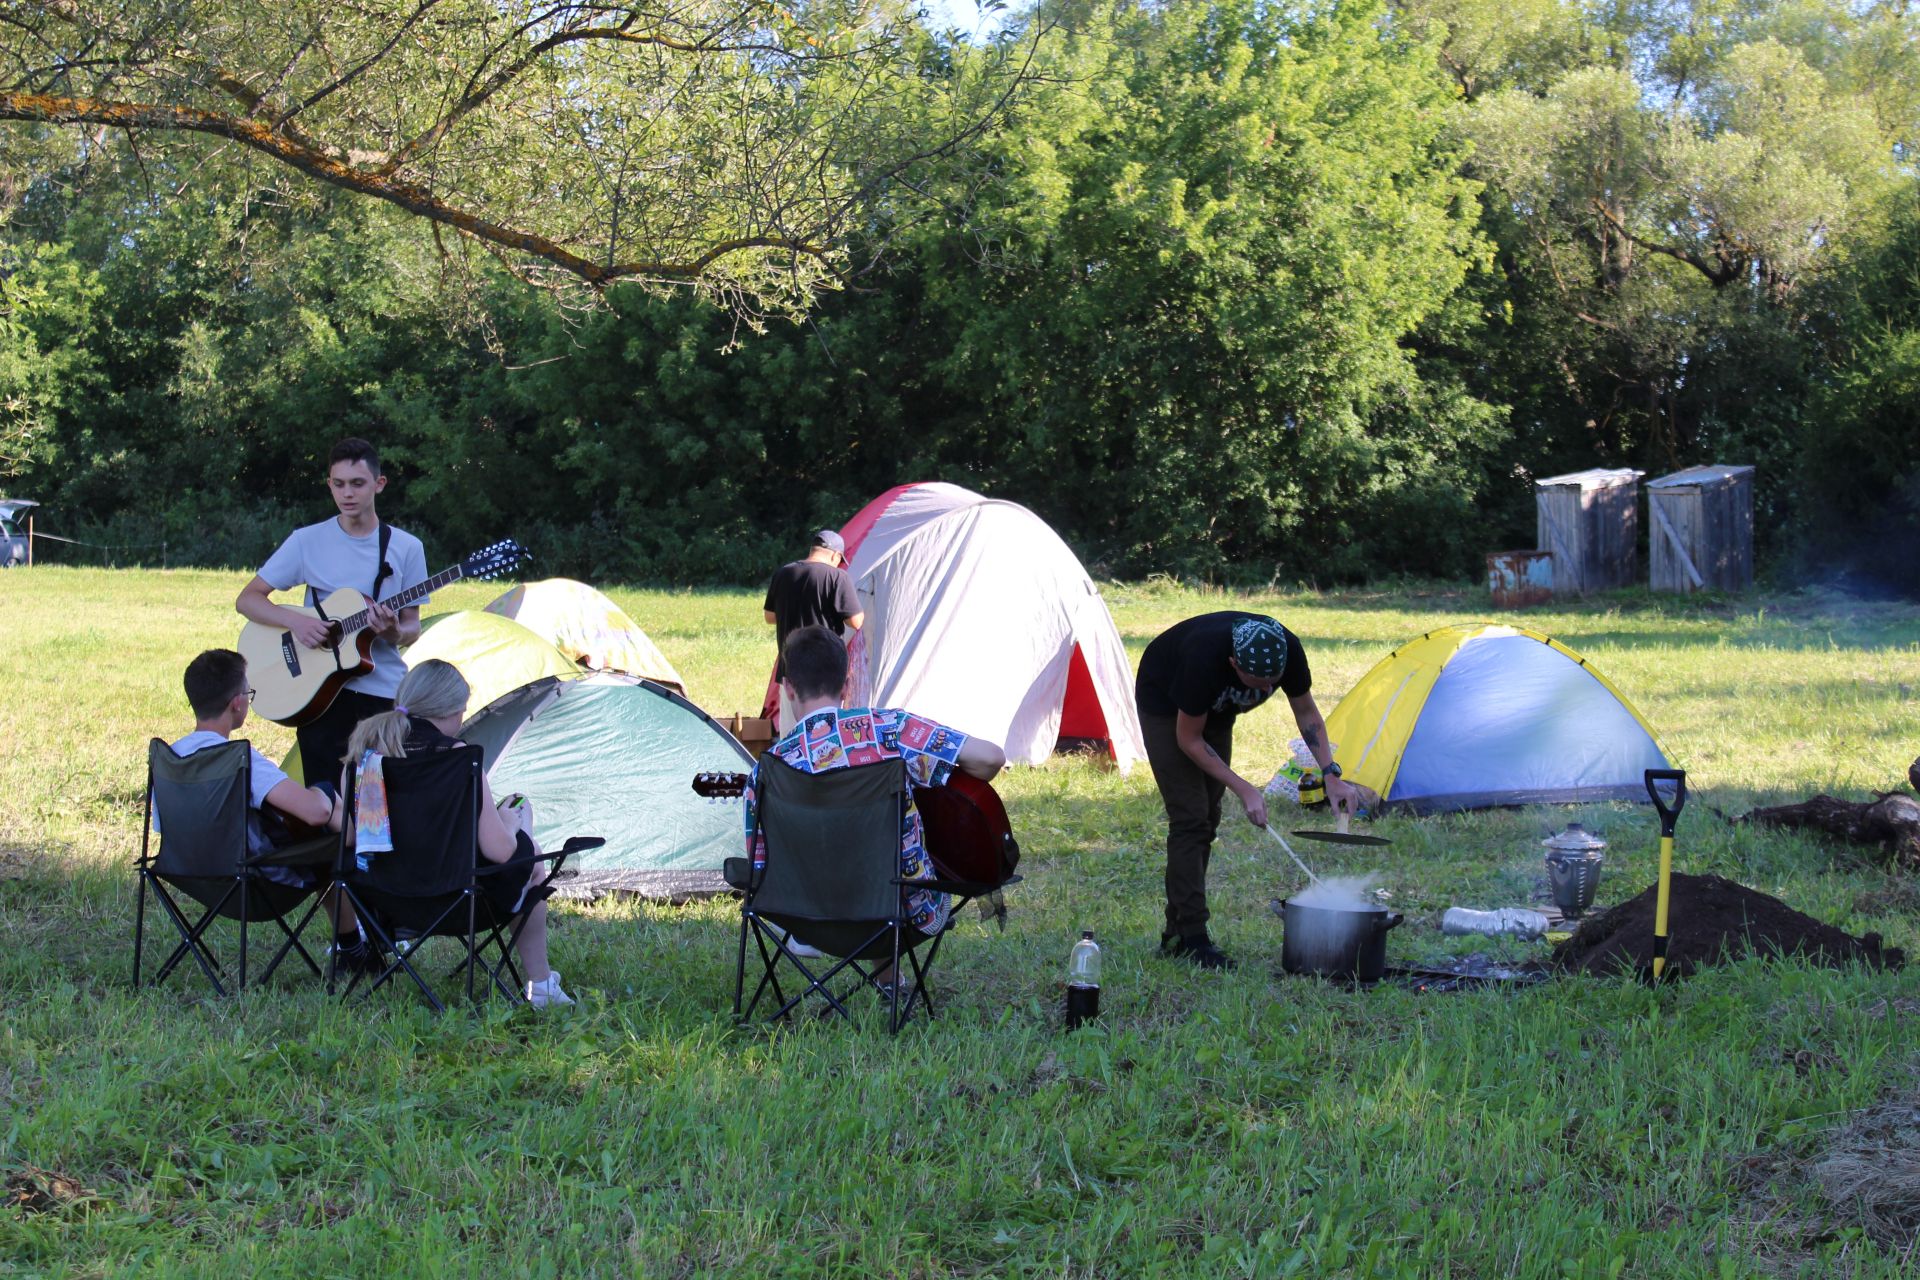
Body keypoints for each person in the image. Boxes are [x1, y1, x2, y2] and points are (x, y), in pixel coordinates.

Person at [743, 626, 1003, 985]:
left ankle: (886, 979)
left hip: (805, 920)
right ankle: (887, 980)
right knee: (888, 843)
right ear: (846, 684)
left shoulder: (766, 770)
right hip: (903, 914)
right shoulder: (890, 730)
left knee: (853, 845)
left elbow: (759, 871)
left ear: (788, 689)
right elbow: (991, 757)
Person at [339, 659, 571, 1008]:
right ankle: (541, 986)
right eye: (462, 711)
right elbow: (499, 851)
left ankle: (542, 987)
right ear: (448, 711)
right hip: (458, 901)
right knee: (529, 849)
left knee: (519, 840)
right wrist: (511, 822)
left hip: (384, 903)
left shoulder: (361, 758)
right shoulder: (458, 758)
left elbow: (351, 839)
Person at [1134, 612, 1360, 970]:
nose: (1261, 692)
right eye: (1253, 682)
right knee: (1190, 818)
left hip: (1220, 710)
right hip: (1166, 704)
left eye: (1269, 685)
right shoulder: (1201, 660)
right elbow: (1188, 740)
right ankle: (1192, 938)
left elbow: (1307, 713)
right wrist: (1245, 789)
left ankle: (1176, 933)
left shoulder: (1288, 649)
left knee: (1208, 817)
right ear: (1233, 662)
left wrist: (1331, 773)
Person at [158, 649, 373, 966]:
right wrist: (325, 792)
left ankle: (360, 930)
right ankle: (357, 942)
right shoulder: (237, 758)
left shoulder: (171, 758)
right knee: (331, 829)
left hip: (188, 875)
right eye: (248, 692)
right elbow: (314, 812)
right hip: (251, 883)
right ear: (237, 703)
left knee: (327, 827)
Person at [235, 437, 430, 786]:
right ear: (329, 484)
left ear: (379, 484)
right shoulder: (306, 541)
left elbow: (411, 626)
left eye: (357, 484)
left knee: (383, 797)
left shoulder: (406, 548)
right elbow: (248, 599)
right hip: (321, 692)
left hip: (382, 693)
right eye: (338, 484)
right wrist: (294, 621)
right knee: (328, 796)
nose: (347, 494)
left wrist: (393, 634)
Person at [762, 530, 864, 731]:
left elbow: (769, 617)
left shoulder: (784, 573)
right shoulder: (837, 577)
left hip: (791, 665)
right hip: (826, 669)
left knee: (791, 733)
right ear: (835, 555)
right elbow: (856, 621)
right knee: (825, 733)